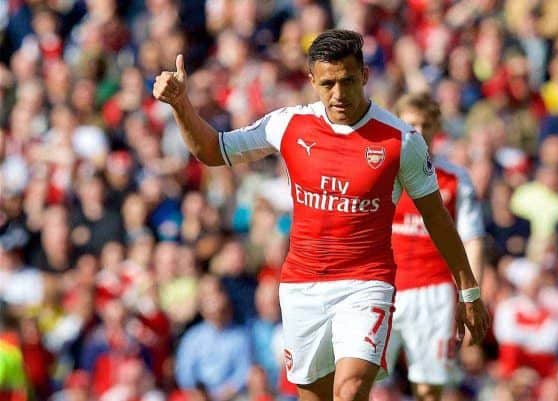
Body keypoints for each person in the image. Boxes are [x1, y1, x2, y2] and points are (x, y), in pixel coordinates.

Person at [153, 29, 489, 401]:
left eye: (347, 81)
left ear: (363, 76)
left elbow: (437, 218)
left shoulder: (401, 140)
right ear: (312, 80)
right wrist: (182, 105)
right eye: (328, 83)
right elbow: (214, 150)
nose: (339, 94)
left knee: (349, 391)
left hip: (366, 284)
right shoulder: (288, 125)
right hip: (302, 286)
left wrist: (469, 291)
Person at [383, 93, 486, 401]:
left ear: (437, 127)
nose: (417, 131)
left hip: (434, 293)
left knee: (429, 388)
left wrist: (471, 297)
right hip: (381, 290)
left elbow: (473, 241)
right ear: (397, 122)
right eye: (410, 123)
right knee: (358, 380)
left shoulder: (455, 179)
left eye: (425, 124)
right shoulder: (380, 173)